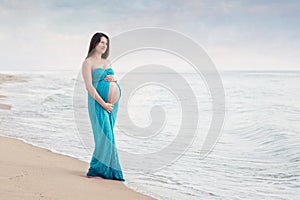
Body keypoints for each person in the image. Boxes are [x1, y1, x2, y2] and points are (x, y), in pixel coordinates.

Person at [81, 32, 124, 181]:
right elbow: (89, 87)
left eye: (106, 43)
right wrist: (103, 103)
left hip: (112, 104)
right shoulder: (88, 63)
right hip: (97, 103)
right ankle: (96, 169)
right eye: (102, 43)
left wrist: (115, 78)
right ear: (95, 43)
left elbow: (113, 79)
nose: (104, 46)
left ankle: (107, 170)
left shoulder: (108, 61)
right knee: (104, 136)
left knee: (110, 135)